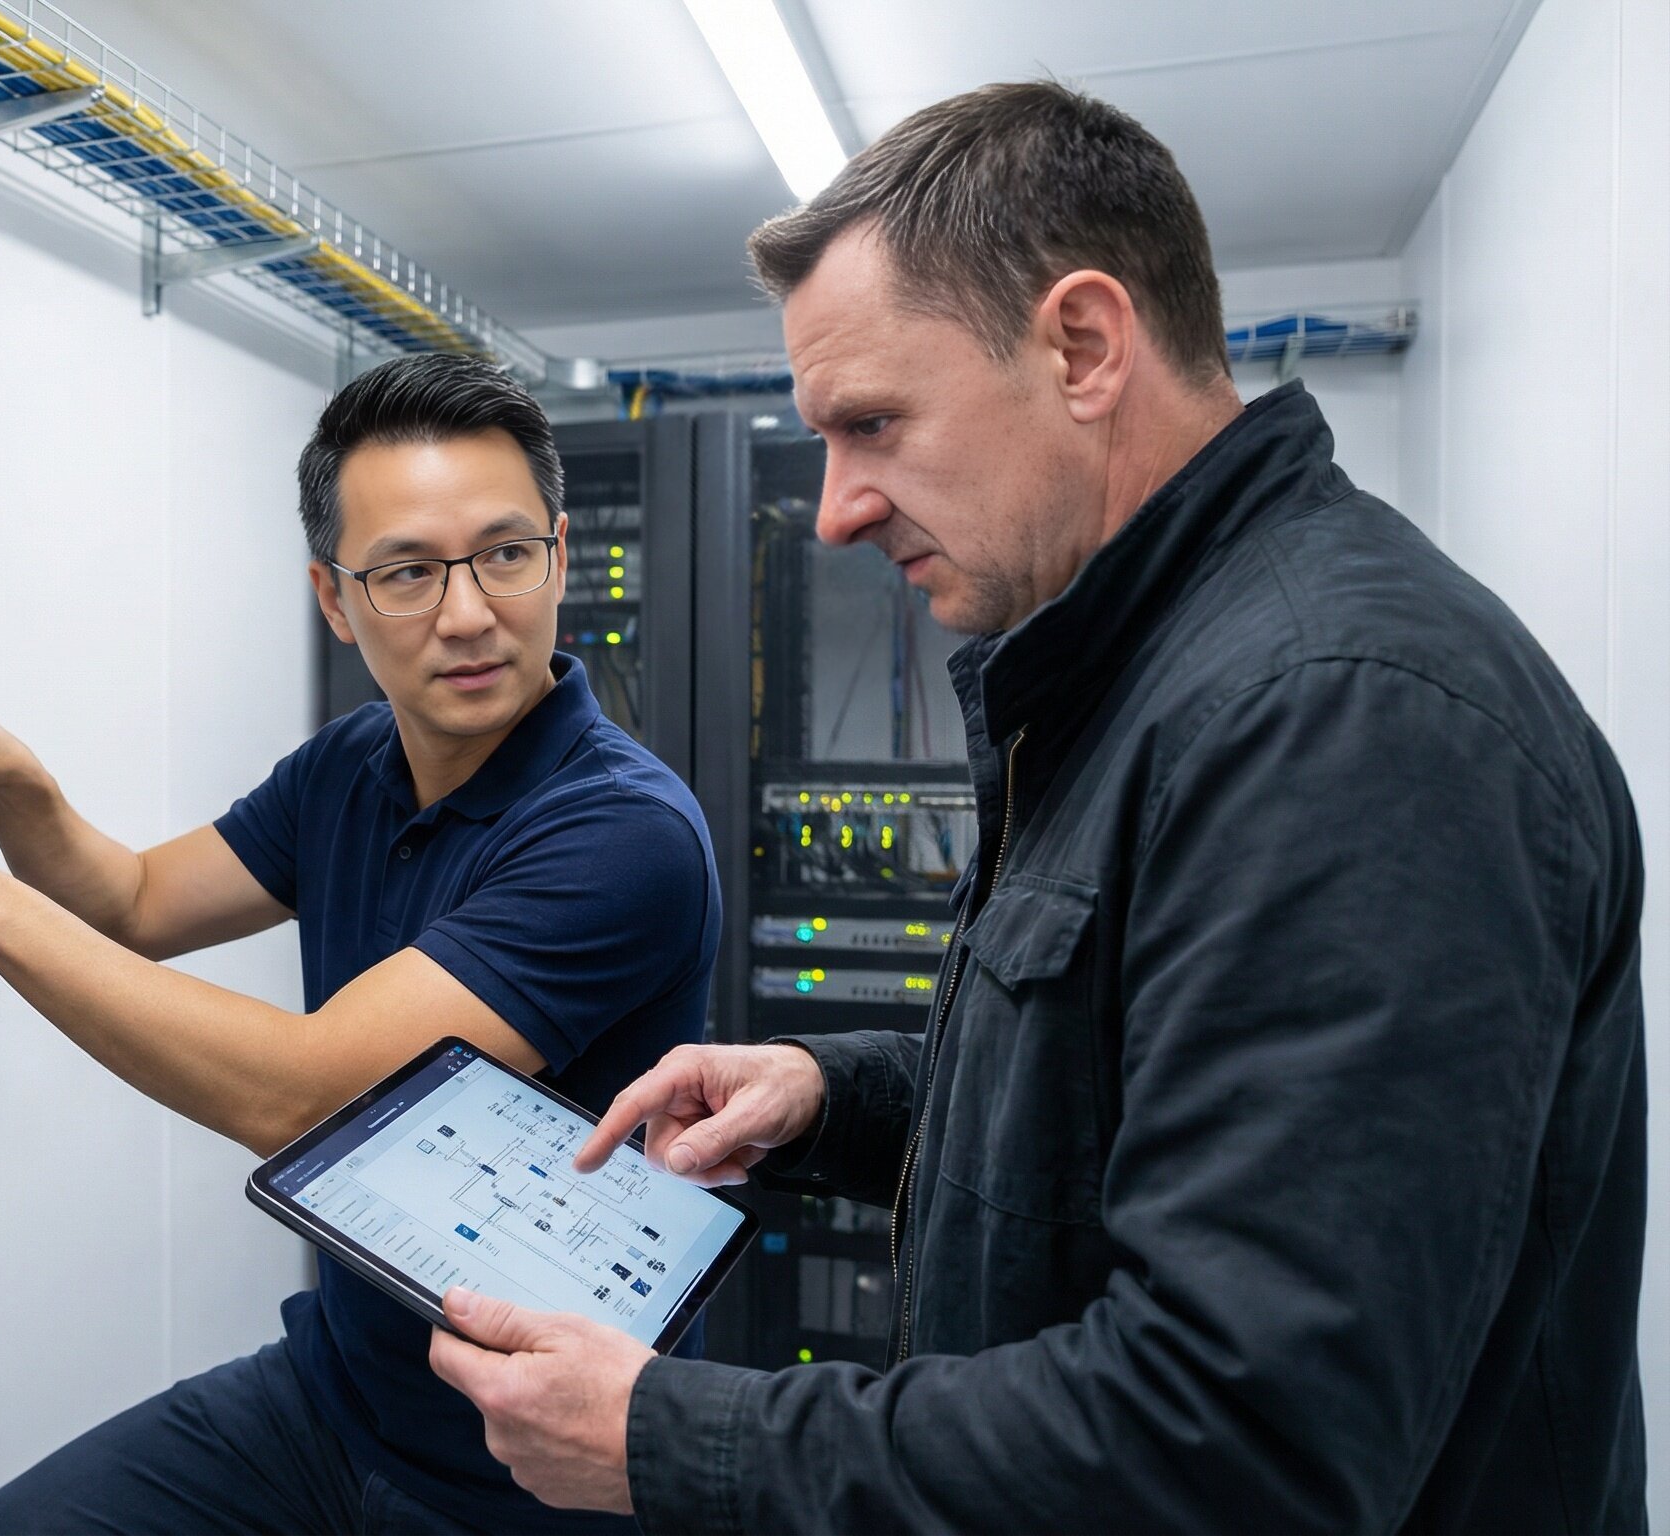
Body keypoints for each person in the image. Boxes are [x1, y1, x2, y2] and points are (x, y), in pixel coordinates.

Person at [428, 80, 1646, 1533]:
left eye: (873, 422)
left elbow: (1241, 1450)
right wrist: (831, 1098)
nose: (835, 508)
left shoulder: (1339, 713)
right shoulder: (1147, 671)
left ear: (1083, 345)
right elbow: (1114, 1108)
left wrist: (680, 1439)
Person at [0, 352, 722, 1534]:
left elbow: (311, 1099)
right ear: (335, 598)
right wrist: (16, 780)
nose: (470, 612)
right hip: (333, 1396)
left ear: (560, 554)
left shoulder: (621, 836)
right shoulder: (350, 764)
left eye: (504, 554)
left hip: (539, 1469)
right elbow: (129, 901)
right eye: (406, 573)